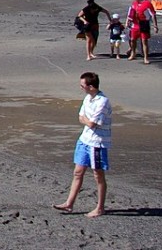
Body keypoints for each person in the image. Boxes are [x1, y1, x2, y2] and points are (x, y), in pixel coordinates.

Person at [54, 72, 111, 218]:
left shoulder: (102, 101)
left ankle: (100, 207)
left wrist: (87, 120)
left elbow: (92, 123)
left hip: (97, 143)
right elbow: (81, 117)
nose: (81, 88)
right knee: (78, 172)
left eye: (82, 86)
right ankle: (69, 204)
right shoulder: (88, 98)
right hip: (84, 140)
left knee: (98, 175)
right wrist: (86, 120)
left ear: (91, 86)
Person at [126, 0, 159, 64]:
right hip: (135, 24)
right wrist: (128, 21)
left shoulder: (147, 3)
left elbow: (153, 15)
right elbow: (130, 13)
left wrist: (155, 26)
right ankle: (133, 53)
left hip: (144, 23)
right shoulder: (134, 3)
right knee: (132, 40)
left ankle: (145, 57)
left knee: (144, 41)